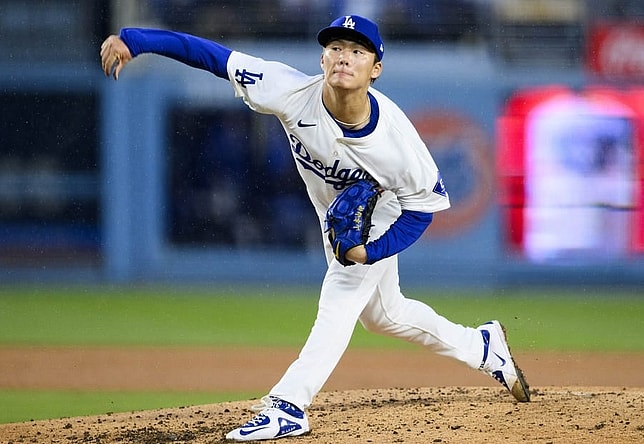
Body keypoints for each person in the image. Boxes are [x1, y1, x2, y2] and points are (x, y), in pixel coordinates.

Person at [100, 14, 530, 442]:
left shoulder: (397, 144)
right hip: (336, 219)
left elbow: (419, 212)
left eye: (357, 51)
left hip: (379, 217)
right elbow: (212, 56)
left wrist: (369, 252)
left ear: (375, 68)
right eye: (336, 48)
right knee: (384, 315)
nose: (344, 57)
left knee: (341, 296)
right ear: (322, 58)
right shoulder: (288, 89)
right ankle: (482, 347)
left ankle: (289, 405)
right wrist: (136, 40)